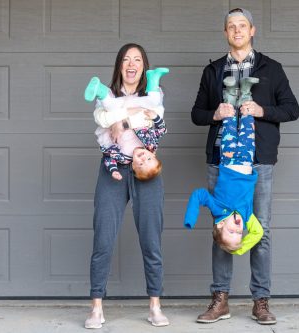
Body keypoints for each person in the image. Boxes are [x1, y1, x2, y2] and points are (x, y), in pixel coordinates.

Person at [191, 8, 299, 325]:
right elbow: (196, 114)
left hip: (258, 162)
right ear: (225, 32)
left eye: (242, 26)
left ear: (252, 30)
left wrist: (262, 109)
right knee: (224, 229)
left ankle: (260, 301)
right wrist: (215, 114)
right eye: (231, 26)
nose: (236, 31)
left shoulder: (272, 69)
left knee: (259, 232)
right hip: (221, 162)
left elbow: (292, 109)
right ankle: (220, 299)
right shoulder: (212, 71)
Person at [85, 43, 169, 329]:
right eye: (126, 59)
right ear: (119, 66)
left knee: (151, 239)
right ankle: (96, 307)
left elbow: (156, 126)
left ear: (144, 67)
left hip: (146, 168)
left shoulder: (154, 95)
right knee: (103, 238)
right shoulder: (106, 97)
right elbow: (105, 128)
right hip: (114, 168)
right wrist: (125, 120)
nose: (131, 64)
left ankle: (155, 305)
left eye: (137, 59)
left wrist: (124, 122)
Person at [183, 76, 263, 255]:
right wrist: (239, 249)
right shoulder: (246, 215)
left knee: (228, 123)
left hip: (227, 160)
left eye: (231, 231)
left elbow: (199, 195)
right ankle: (245, 93)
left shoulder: (217, 208)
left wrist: (191, 218)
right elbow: (258, 233)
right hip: (246, 159)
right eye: (239, 233)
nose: (238, 229)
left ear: (220, 225)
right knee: (247, 124)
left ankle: (230, 94)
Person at [85, 69, 169, 181]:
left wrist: (114, 170)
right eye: (149, 159)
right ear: (153, 155)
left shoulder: (123, 158)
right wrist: (155, 117)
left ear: (133, 166)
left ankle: (100, 90)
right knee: (153, 101)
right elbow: (162, 129)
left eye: (141, 164)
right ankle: (153, 79)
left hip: (118, 115)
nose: (143, 159)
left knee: (111, 106)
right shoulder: (151, 143)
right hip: (137, 110)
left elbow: (109, 158)